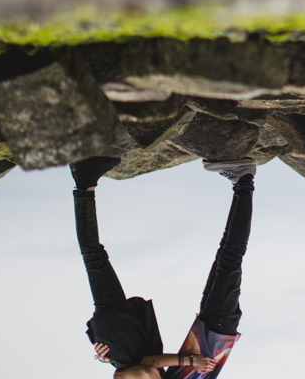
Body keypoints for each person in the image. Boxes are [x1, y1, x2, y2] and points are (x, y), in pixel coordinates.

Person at [70, 155, 257, 378]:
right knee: (231, 253)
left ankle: (243, 182)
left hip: (207, 328)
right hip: (216, 329)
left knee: (229, 252)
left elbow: (142, 367)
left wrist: (103, 358)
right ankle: (244, 180)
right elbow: (144, 366)